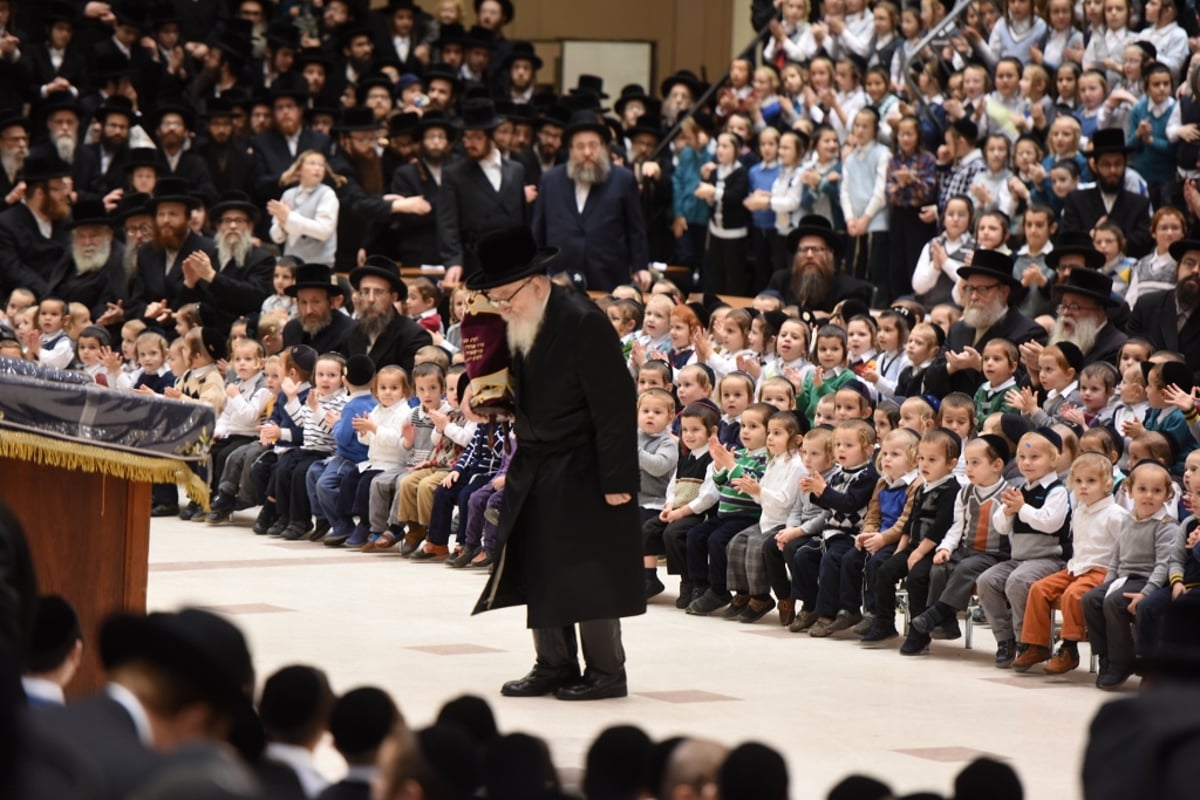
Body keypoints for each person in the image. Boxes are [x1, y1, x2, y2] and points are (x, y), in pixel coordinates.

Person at [468, 226, 643, 701]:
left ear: (536, 283)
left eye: (506, 296)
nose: (500, 305)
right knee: (541, 565)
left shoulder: (582, 320)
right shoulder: (521, 318)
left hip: (584, 464)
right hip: (536, 460)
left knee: (589, 571)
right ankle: (554, 664)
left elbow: (615, 403)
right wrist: (496, 405)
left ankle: (607, 672)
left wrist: (617, 478)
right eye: (495, 296)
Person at [1084, 460, 1180, 689]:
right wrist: (1107, 585)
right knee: (1091, 600)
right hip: (1122, 579)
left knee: (1115, 603)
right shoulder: (1127, 519)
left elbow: (1162, 566)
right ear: (1129, 490)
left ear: (1167, 495)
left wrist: (1147, 592)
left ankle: (1122, 662)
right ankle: (1106, 656)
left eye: (1157, 491)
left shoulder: (1166, 525)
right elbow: (1116, 557)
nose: (1149, 496)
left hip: (1146, 580)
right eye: (1142, 489)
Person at [531, 110, 649, 293]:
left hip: (609, 276)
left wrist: (640, 266)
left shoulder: (624, 179)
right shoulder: (550, 180)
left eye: (593, 145)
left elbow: (636, 228)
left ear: (603, 147)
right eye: (580, 146)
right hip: (560, 278)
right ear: (570, 149)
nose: (587, 152)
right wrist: (534, 271)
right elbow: (538, 230)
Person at [923, 249, 1049, 397]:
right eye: (970, 288)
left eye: (982, 289)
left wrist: (980, 365)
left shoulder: (1028, 332)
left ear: (1004, 292)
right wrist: (951, 367)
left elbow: (1024, 388)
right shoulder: (957, 329)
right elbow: (930, 378)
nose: (974, 296)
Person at [437, 99, 528, 287]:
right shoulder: (454, 174)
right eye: (466, 137)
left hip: (514, 263)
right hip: (475, 263)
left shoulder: (516, 170)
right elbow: (447, 224)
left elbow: (523, 221)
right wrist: (453, 261)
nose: (469, 143)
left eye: (476, 137)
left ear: (491, 137)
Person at [1060, 128, 1153, 258]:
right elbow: (1068, 238)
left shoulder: (1139, 203)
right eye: (1106, 165)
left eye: (1118, 164)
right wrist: (1092, 235)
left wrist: (1117, 241)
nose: (1113, 170)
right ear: (1095, 166)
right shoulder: (1076, 200)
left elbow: (1145, 239)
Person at [0, 147, 71, 300]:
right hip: (26, 303)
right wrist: (51, 297)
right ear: (40, 193)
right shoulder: (6, 224)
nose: (64, 195)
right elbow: (14, 270)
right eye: (58, 189)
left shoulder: (65, 220)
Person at [764, 214, 872, 312]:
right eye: (804, 250)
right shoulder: (780, 281)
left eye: (816, 249)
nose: (809, 255)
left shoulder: (849, 289)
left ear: (830, 254)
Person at [1127, 236, 1200, 380]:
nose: (1196, 271)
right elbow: (1131, 354)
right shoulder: (1146, 305)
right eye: (1189, 263)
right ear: (1177, 268)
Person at [344, 256, 432, 374]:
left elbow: (412, 385)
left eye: (378, 292)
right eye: (365, 292)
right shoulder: (350, 332)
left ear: (394, 297)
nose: (370, 299)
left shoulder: (414, 336)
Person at [281, 263, 356, 355]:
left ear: (331, 302)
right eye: (303, 302)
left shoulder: (349, 331)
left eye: (316, 302)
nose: (309, 311)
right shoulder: (291, 329)